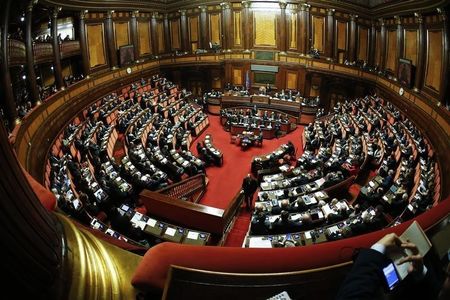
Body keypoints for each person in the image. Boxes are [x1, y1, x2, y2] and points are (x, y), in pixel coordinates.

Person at [336, 232, 445, 300]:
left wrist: (377, 248)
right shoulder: (439, 289)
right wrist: (421, 273)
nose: (444, 283)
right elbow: (436, 292)